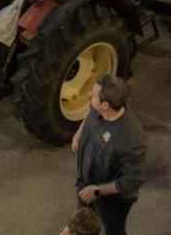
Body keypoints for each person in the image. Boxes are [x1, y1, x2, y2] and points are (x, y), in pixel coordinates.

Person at [70, 73, 144, 235]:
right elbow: (90, 114)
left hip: (111, 200)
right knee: (80, 223)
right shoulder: (98, 107)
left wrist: (97, 191)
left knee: (113, 230)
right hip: (86, 184)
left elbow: (133, 180)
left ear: (105, 105)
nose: (90, 95)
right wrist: (79, 133)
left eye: (94, 94)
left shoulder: (130, 139)